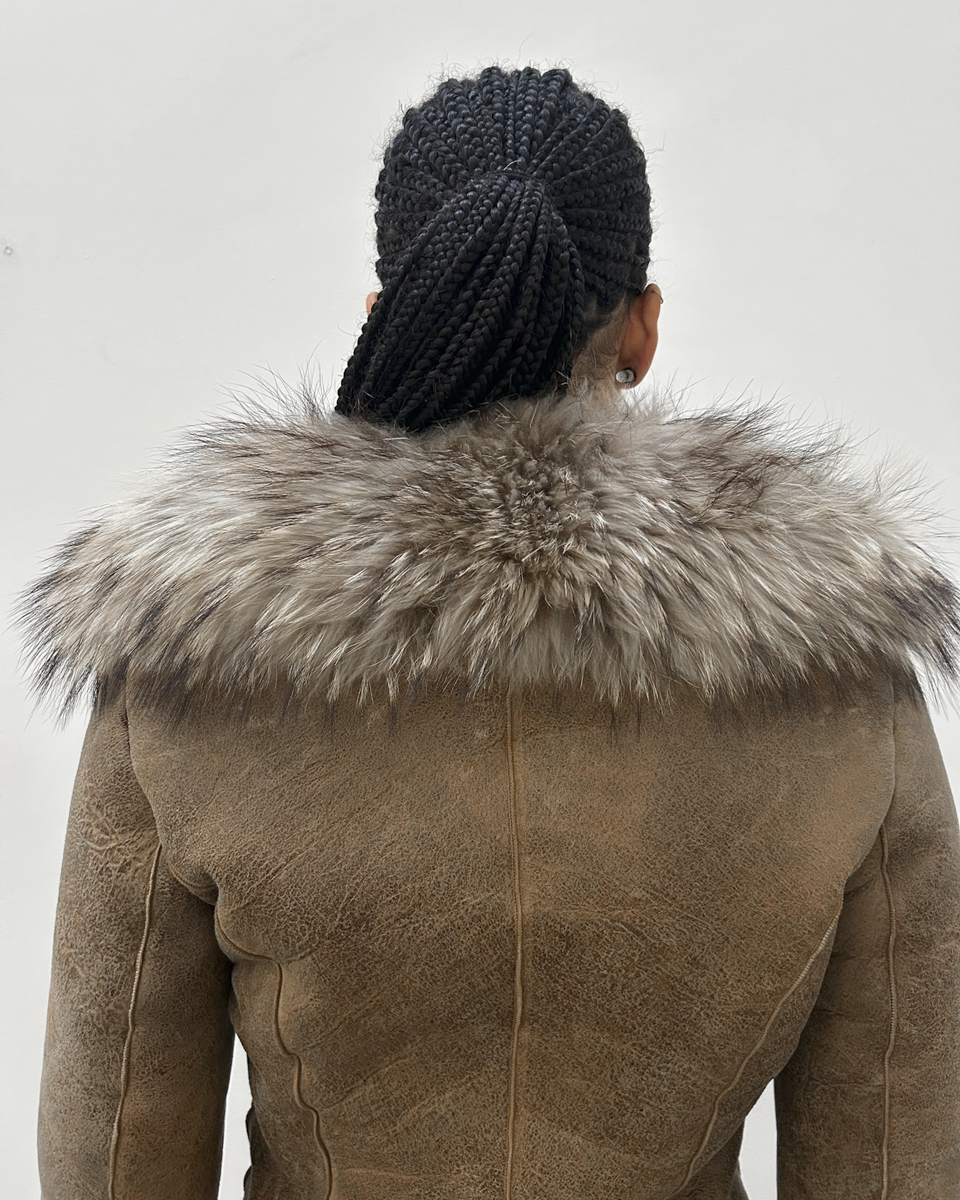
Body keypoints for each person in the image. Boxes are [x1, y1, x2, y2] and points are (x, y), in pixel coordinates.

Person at [20, 64, 960, 1200]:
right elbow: (899, 1146)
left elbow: (114, 1145)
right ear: (643, 328)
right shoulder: (836, 668)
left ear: (386, 313)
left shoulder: (191, 656)